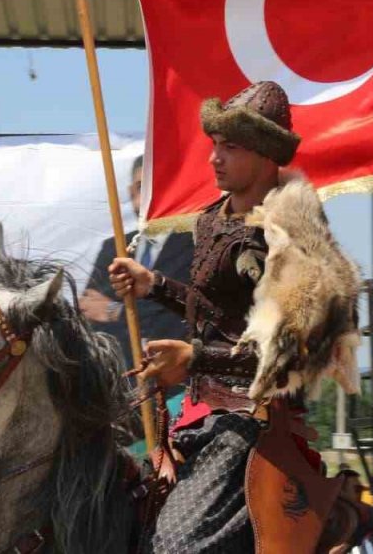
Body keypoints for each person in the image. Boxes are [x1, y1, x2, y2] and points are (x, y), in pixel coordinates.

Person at [109, 80, 317, 552]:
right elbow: (213, 312)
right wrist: (152, 285)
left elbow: (288, 351)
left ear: (265, 155)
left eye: (231, 147)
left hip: (256, 421)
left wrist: (194, 358)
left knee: (172, 546)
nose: (213, 158)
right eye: (214, 145)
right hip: (196, 414)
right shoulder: (209, 220)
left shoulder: (293, 233)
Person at [79, 155, 194, 371]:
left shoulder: (194, 243)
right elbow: (90, 311)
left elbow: (179, 312)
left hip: (175, 381)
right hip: (122, 380)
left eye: (158, 187)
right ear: (132, 193)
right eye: (142, 188)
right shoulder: (112, 248)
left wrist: (116, 311)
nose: (149, 197)